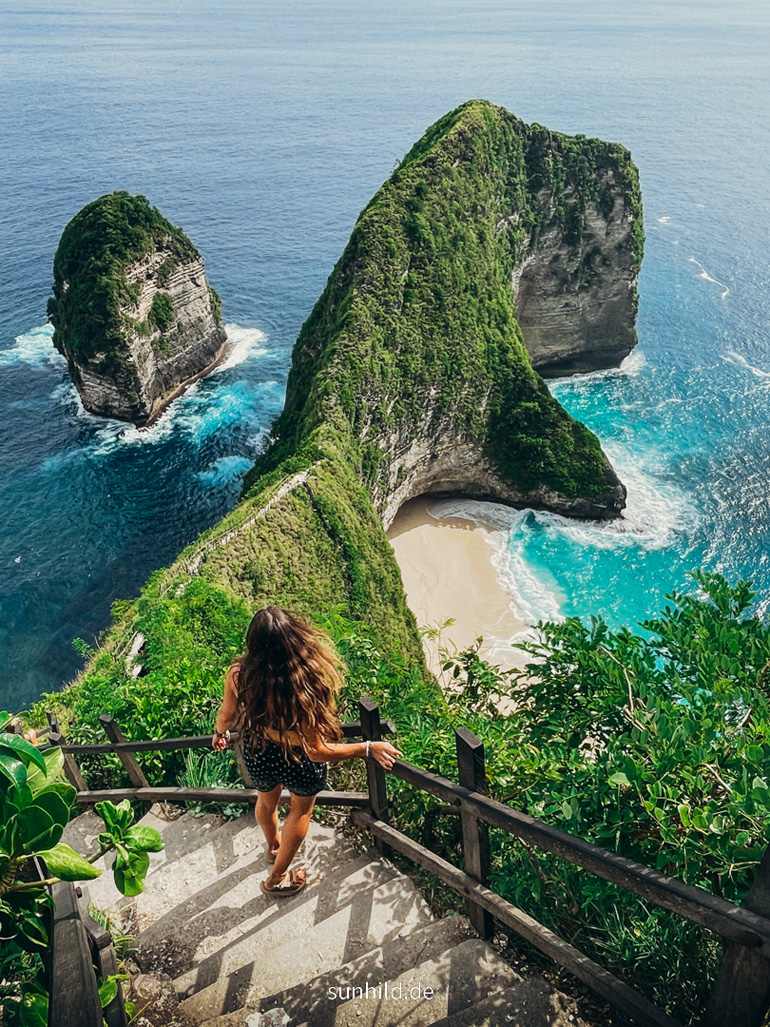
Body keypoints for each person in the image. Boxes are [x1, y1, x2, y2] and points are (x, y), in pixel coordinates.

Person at [212, 606, 401, 897]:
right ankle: (276, 879)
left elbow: (226, 715)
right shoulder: (307, 684)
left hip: (259, 747)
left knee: (266, 800)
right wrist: (367, 748)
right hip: (298, 757)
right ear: (295, 639)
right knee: (300, 811)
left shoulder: (239, 674)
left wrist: (220, 733)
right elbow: (316, 751)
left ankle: (274, 848)